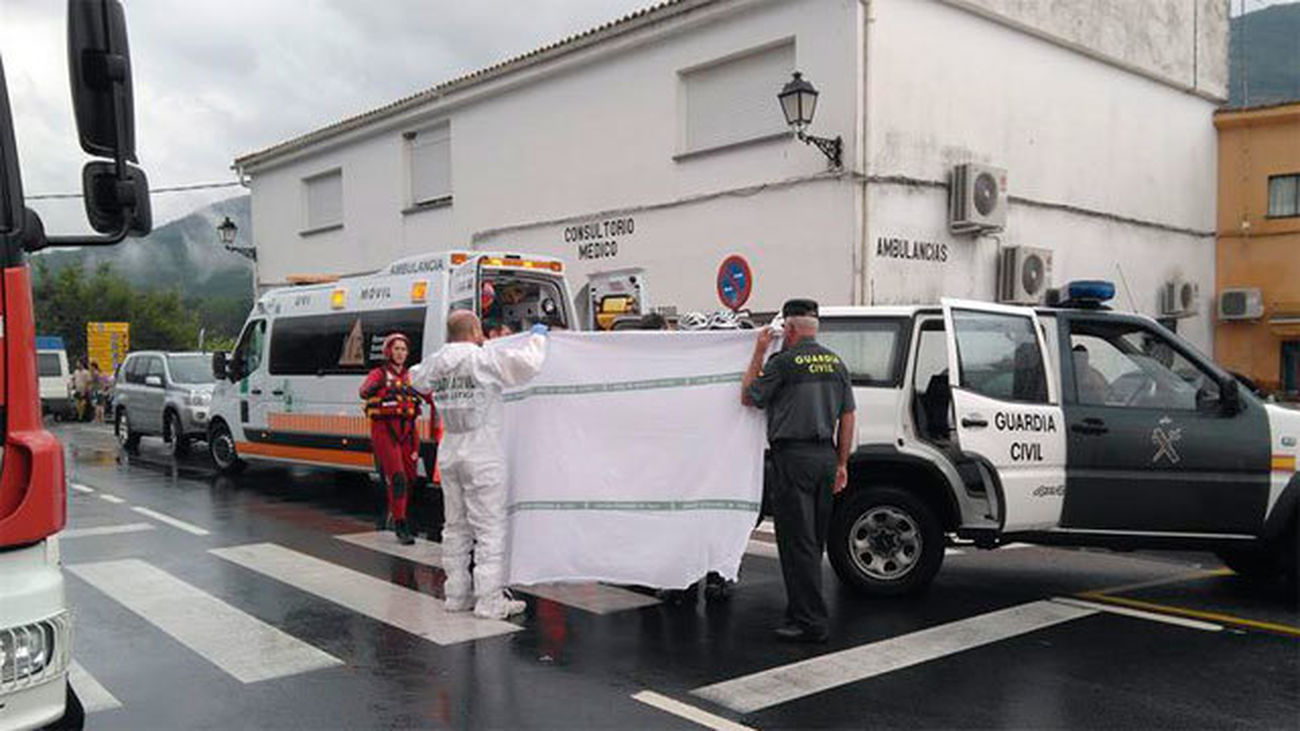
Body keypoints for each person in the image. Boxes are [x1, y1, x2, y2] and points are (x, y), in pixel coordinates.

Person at [410, 310, 548, 619]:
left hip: (451, 451)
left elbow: (416, 378)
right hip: (483, 452)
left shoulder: (436, 362)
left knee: (456, 526)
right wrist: (538, 337)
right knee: (489, 528)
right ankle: (489, 599)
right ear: (475, 331)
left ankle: (456, 594)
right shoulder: (482, 359)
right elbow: (527, 365)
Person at [741, 298, 856, 643]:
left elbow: (749, 396)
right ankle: (800, 611)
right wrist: (842, 462)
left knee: (796, 544)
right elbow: (848, 416)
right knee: (814, 541)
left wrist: (759, 350)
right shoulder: (837, 364)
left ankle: (810, 621)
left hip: (793, 459)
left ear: (789, 329)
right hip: (824, 458)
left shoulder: (784, 363)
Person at [359, 333, 423, 545]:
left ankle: (398, 514)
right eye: (396, 349)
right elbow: (364, 391)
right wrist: (371, 389)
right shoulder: (378, 374)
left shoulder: (411, 376)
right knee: (398, 478)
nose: (400, 353)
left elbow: (429, 395)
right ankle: (400, 523)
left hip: (409, 432)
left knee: (410, 478)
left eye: (403, 349)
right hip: (386, 431)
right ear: (388, 351)